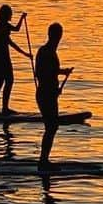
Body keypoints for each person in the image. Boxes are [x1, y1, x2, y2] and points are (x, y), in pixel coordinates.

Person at [34, 22, 73, 171]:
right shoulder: (47, 52)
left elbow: (51, 71)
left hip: (47, 93)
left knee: (51, 127)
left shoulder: (45, 51)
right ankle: (43, 162)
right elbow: (43, 73)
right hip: (46, 94)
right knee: (51, 127)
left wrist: (63, 72)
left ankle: (44, 160)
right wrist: (52, 88)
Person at [0, 5, 29, 116]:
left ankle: (4, 108)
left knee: (9, 81)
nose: (11, 15)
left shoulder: (5, 25)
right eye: (10, 13)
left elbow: (16, 29)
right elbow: (11, 41)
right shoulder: (1, 26)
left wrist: (22, 18)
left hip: (4, 58)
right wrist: (25, 53)